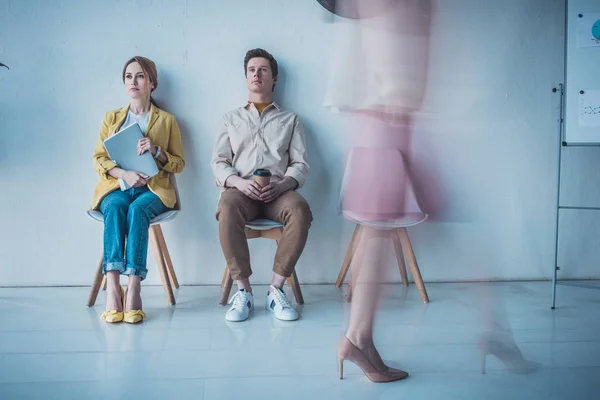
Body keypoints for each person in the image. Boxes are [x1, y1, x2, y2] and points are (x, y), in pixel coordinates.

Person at [211, 48, 312, 323]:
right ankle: (243, 291)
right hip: (241, 193)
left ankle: (275, 290)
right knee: (227, 206)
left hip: (278, 194)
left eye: (263, 69)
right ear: (246, 77)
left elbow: (300, 164)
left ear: (274, 78)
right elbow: (219, 162)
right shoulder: (229, 119)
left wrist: (284, 185)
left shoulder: (291, 119)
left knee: (301, 210)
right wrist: (239, 183)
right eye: (251, 70)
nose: (257, 74)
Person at [91, 56, 185, 324]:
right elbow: (99, 159)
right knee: (114, 206)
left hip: (153, 193)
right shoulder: (112, 118)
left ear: (152, 83)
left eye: (140, 76)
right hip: (118, 187)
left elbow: (179, 164)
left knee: (137, 209)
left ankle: (133, 287)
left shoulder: (166, 121)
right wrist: (125, 174)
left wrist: (156, 150)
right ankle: (113, 289)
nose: (134, 81)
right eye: (129, 76)